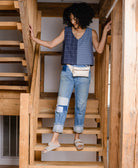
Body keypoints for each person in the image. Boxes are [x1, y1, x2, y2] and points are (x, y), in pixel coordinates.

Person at [29, 2, 111, 153]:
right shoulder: (66, 31)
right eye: (71, 19)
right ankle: (54, 140)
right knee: (61, 104)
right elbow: (52, 44)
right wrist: (34, 39)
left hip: (84, 74)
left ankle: (77, 137)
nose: (73, 22)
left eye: (75, 19)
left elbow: (99, 49)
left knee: (80, 106)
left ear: (83, 18)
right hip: (67, 72)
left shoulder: (91, 33)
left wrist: (105, 31)